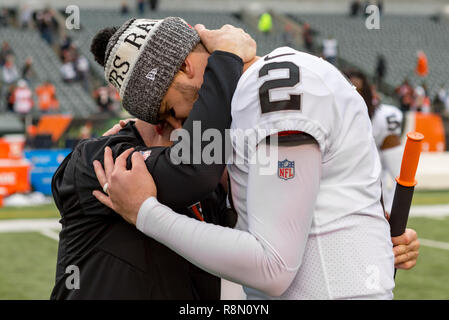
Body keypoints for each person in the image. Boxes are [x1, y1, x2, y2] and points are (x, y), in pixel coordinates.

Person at [92, 21, 419, 299]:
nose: (179, 130)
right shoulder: (251, 99)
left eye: (170, 113)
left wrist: (145, 213)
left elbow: (273, 266)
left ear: (186, 67)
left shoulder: (272, 84)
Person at [50, 18, 253, 299]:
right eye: (168, 115)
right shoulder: (96, 159)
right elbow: (193, 170)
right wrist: (228, 56)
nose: (181, 127)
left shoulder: (211, 176)